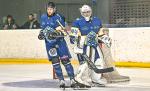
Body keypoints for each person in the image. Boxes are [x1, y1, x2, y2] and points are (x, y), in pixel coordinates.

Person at [70, 5, 130, 87]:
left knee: (99, 61)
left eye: (88, 12)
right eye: (84, 12)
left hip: (95, 46)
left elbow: (100, 33)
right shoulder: (77, 22)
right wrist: (78, 40)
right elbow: (73, 37)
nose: (86, 14)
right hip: (84, 46)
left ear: (91, 12)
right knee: (86, 63)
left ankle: (96, 79)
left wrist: (105, 38)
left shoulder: (96, 20)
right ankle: (79, 78)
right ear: (81, 13)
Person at [38, 2, 75, 88]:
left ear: (54, 9)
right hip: (49, 44)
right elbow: (43, 28)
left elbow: (63, 31)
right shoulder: (43, 17)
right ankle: (61, 80)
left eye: (51, 9)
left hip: (60, 43)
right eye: (48, 9)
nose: (49, 11)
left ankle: (72, 79)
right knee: (55, 62)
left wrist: (56, 32)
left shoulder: (59, 17)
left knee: (65, 61)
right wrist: (41, 33)